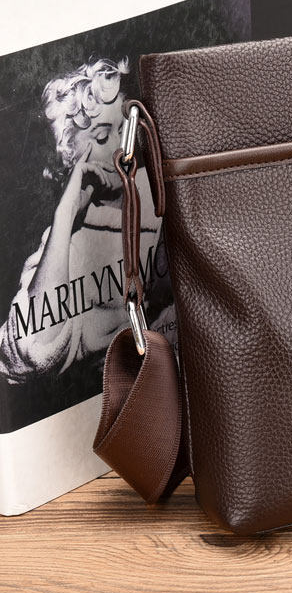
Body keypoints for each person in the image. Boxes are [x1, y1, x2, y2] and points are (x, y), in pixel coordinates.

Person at [0, 58, 174, 383]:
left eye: (124, 129)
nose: (122, 148)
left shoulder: (164, 189)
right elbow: (29, 351)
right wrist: (65, 214)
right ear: (68, 155)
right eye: (102, 136)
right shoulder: (65, 244)